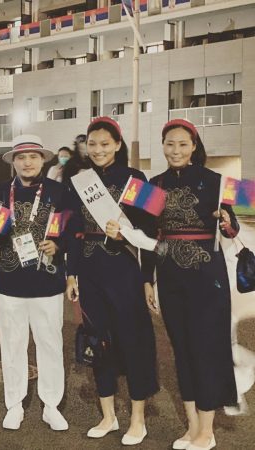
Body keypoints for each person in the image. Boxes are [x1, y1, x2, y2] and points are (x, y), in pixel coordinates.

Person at [143, 119, 239, 450]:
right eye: (170, 143)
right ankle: (192, 427)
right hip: (169, 277)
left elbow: (235, 224)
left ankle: (207, 431)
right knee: (181, 350)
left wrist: (226, 222)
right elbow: (148, 237)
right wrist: (147, 279)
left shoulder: (218, 181)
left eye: (183, 144)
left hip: (207, 280)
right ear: (163, 145)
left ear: (194, 146)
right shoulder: (153, 185)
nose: (176, 150)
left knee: (205, 350)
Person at [66, 117, 158, 446]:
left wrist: (148, 279)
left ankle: (137, 419)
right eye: (92, 144)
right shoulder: (79, 181)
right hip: (90, 272)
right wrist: (71, 274)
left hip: (124, 270)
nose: (98, 150)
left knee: (133, 341)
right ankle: (108, 416)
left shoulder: (137, 178)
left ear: (118, 145)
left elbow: (152, 231)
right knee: (98, 341)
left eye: (105, 144)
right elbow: (73, 231)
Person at [0, 135, 69, 432]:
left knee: (50, 344)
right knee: (12, 344)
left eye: (33, 157)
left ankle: (51, 405)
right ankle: (14, 404)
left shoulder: (58, 192)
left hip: (48, 281)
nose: (27, 162)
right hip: (9, 283)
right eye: (21, 157)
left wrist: (58, 245)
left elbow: (70, 228)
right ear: (13, 162)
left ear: (43, 160)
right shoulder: (2, 192)